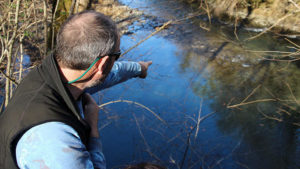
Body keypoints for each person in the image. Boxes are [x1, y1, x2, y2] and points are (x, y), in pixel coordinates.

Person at [0, 10, 152, 169]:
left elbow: (106, 74)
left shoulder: (50, 74)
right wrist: (93, 129)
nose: (116, 60)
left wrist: (138, 68)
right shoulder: (56, 143)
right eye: (117, 55)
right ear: (102, 64)